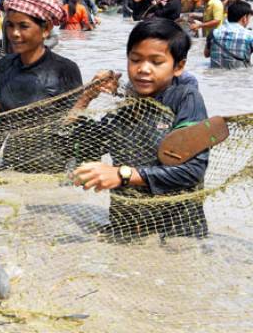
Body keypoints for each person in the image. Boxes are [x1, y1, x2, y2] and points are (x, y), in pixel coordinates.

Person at [71, 18, 209, 240]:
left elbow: (192, 171)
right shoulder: (125, 105)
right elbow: (76, 147)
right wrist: (86, 97)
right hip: (126, 228)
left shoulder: (186, 98)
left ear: (179, 66)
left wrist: (123, 175)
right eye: (135, 59)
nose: (144, 69)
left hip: (177, 234)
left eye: (156, 62)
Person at [0, 0, 82, 170]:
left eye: (24, 26)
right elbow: (2, 120)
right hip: (11, 165)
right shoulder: (4, 65)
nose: (14, 33)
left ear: (46, 29)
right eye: (10, 25)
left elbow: (75, 124)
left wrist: (74, 175)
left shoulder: (65, 69)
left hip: (51, 169)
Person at [204, 0, 253, 69]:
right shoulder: (250, 35)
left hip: (215, 78)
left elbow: (206, 54)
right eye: (249, 18)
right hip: (240, 77)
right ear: (244, 18)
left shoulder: (214, 33)